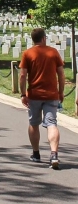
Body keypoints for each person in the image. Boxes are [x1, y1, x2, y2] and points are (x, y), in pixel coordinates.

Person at [19, 27, 65, 169]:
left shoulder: (27, 53)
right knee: (51, 123)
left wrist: (23, 94)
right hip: (51, 94)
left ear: (33, 39)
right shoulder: (53, 52)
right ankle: (54, 154)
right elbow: (61, 74)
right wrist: (61, 92)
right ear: (44, 38)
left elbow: (22, 75)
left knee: (34, 123)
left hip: (34, 94)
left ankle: (36, 153)